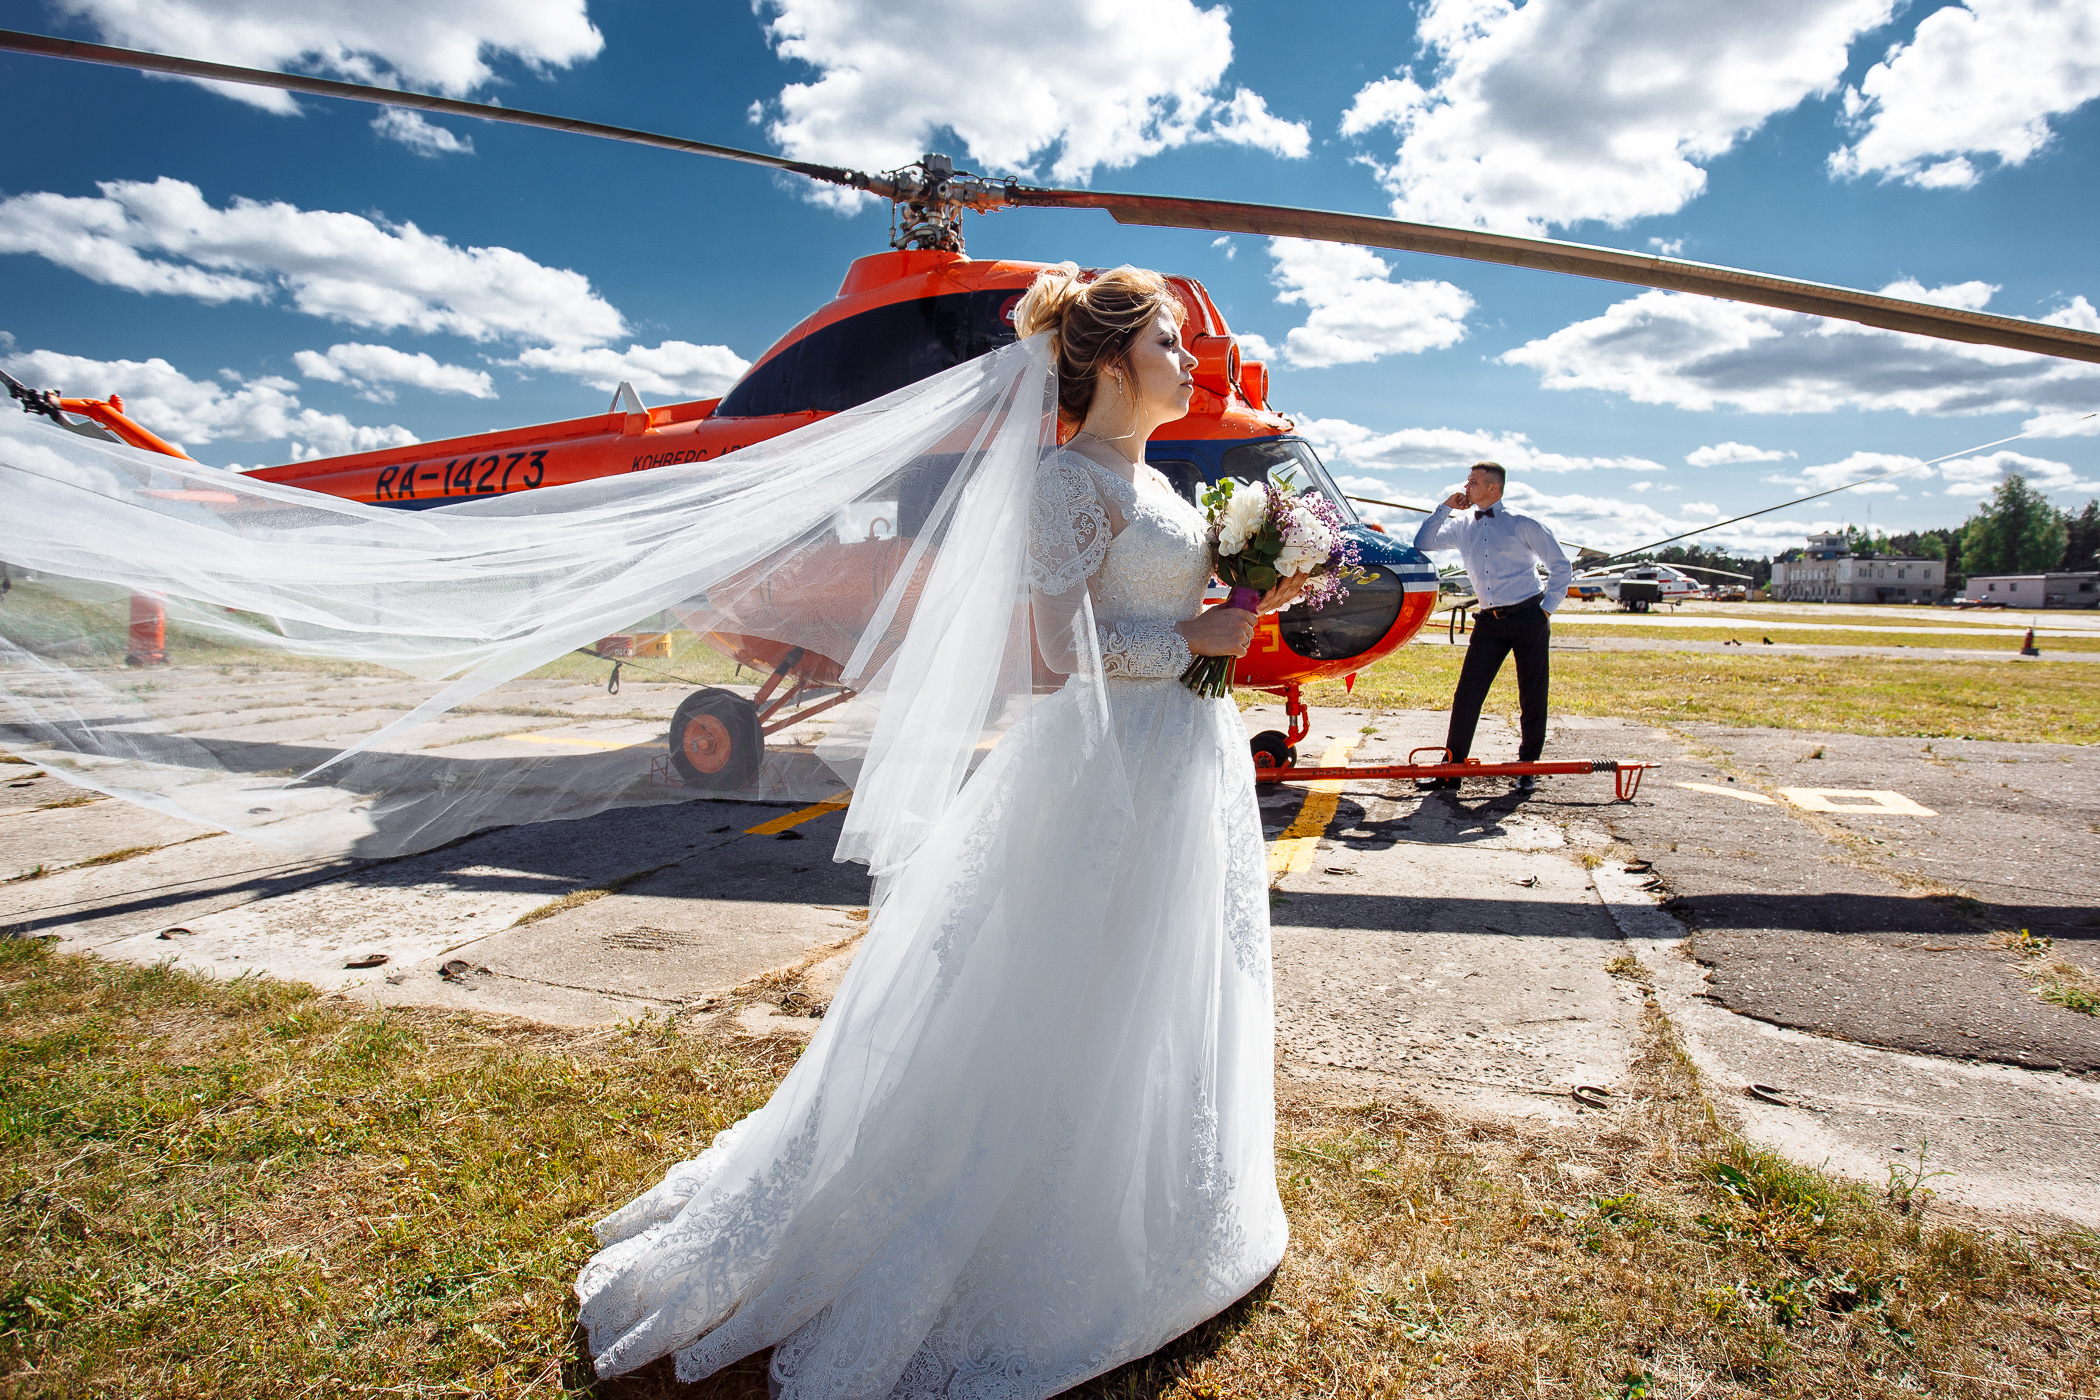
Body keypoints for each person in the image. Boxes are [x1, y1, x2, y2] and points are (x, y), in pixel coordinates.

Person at [573, 263, 1308, 1397]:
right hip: (1108, 760)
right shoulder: (1070, 480)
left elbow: (1161, 606)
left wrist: (1257, 590)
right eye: (1168, 340)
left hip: (1180, 756)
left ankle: (1160, 1193)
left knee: (1162, 970)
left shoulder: (1150, 478)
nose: (1188, 357)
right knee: (1066, 981)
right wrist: (1197, 644)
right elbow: (1056, 655)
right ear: (1112, 363)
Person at [1413, 461, 1572, 794]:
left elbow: (1560, 566)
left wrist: (1545, 612)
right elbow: (1423, 542)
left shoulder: (1522, 523)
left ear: (1493, 489)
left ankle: (1527, 768)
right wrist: (1444, 508)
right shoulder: (1463, 527)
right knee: (1467, 695)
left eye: (1473, 482)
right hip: (1488, 622)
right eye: (1467, 481)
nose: (1466, 487)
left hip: (1529, 616)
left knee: (1532, 694)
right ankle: (1451, 771)